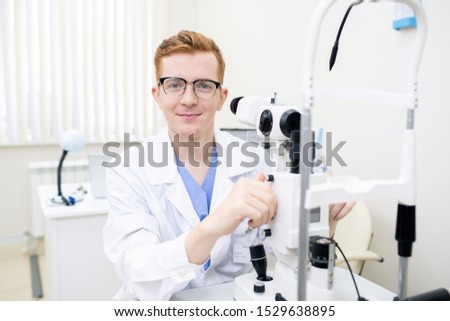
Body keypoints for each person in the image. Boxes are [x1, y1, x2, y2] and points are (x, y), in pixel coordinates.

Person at [103, 30, 352, 301]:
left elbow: (290, 255)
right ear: (157, 94)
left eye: (203, 85)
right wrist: (212, 226)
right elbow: (137, 269)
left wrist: (321, 221)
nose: (188, 99)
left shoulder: (257, 161)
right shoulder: (127, 170)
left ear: (221, 97)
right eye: (174, 84)